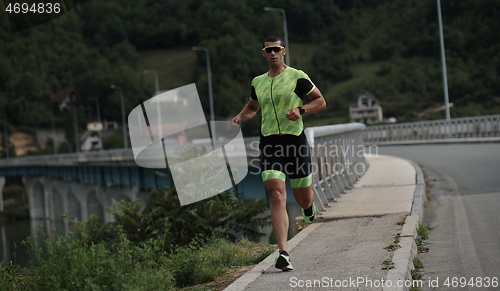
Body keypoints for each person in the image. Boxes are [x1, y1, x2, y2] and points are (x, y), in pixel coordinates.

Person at [231, 35, 326, 271]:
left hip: (295, 142)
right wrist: (241, 116)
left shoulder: (297, 76)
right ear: (263, 53)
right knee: (276, 194)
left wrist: (301, 109)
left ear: (283, 51)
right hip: (270, 144)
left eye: (276, 49)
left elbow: (320, 101)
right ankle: (283, 252)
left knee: (303, 196)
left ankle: (307, 208)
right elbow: (253, 106)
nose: (272, 53)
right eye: (268, 50)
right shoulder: (258, 82)